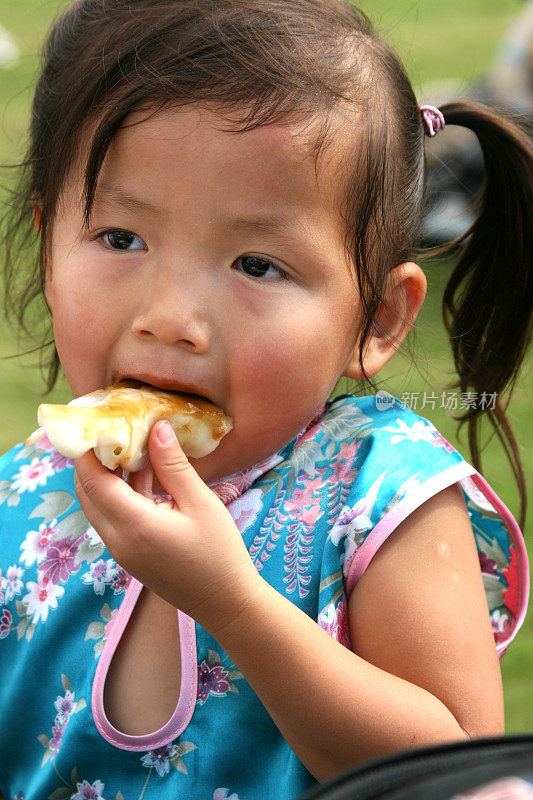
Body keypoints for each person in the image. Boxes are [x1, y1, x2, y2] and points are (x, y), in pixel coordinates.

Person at [0, 1, 531, 798]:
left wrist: (233, 604)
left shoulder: (383, 500)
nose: (171, 319)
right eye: (120, 239)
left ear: (376, 319)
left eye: (256, 264)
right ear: (50, 245)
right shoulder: (23, 496)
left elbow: (463, 781)